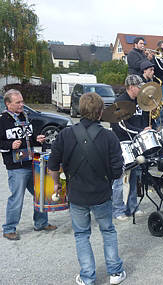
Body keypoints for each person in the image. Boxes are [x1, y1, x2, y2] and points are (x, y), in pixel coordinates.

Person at [48, 92, 126, 285]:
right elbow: (117, 172)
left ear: (80, 110)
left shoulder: (65, 134)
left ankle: (87, 277)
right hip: (101, 194)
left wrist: (57, 183)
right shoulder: (109, 137)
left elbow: (52, 166)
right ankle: (115, 273)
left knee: (82, 235)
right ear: (100, 112)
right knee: (107, 231)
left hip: (77, 196)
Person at [0, 89, 57, 241]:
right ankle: (9, 229)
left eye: (22, 101)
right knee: (17, 198)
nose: (22, 104)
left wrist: (36, 139)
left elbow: (28, 139)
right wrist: (10, 144)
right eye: (18, 102)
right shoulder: (2, 120)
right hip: (15, 167)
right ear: (8, 104)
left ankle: (41, 223)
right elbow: (2, 142)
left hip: (31, 162)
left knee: (40, 193)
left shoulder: (25, 116)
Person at [111, 75, 150, 220]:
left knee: (134, 177)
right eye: (139, 86)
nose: (141, 89)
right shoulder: (120, 102)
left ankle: (132, 207)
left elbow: (144, 119)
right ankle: (118, 210)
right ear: (131, 87)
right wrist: (140, 132)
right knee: (120, 179)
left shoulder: (140, 102)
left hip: (135, 143)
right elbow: (120, 125)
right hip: (122, 144)